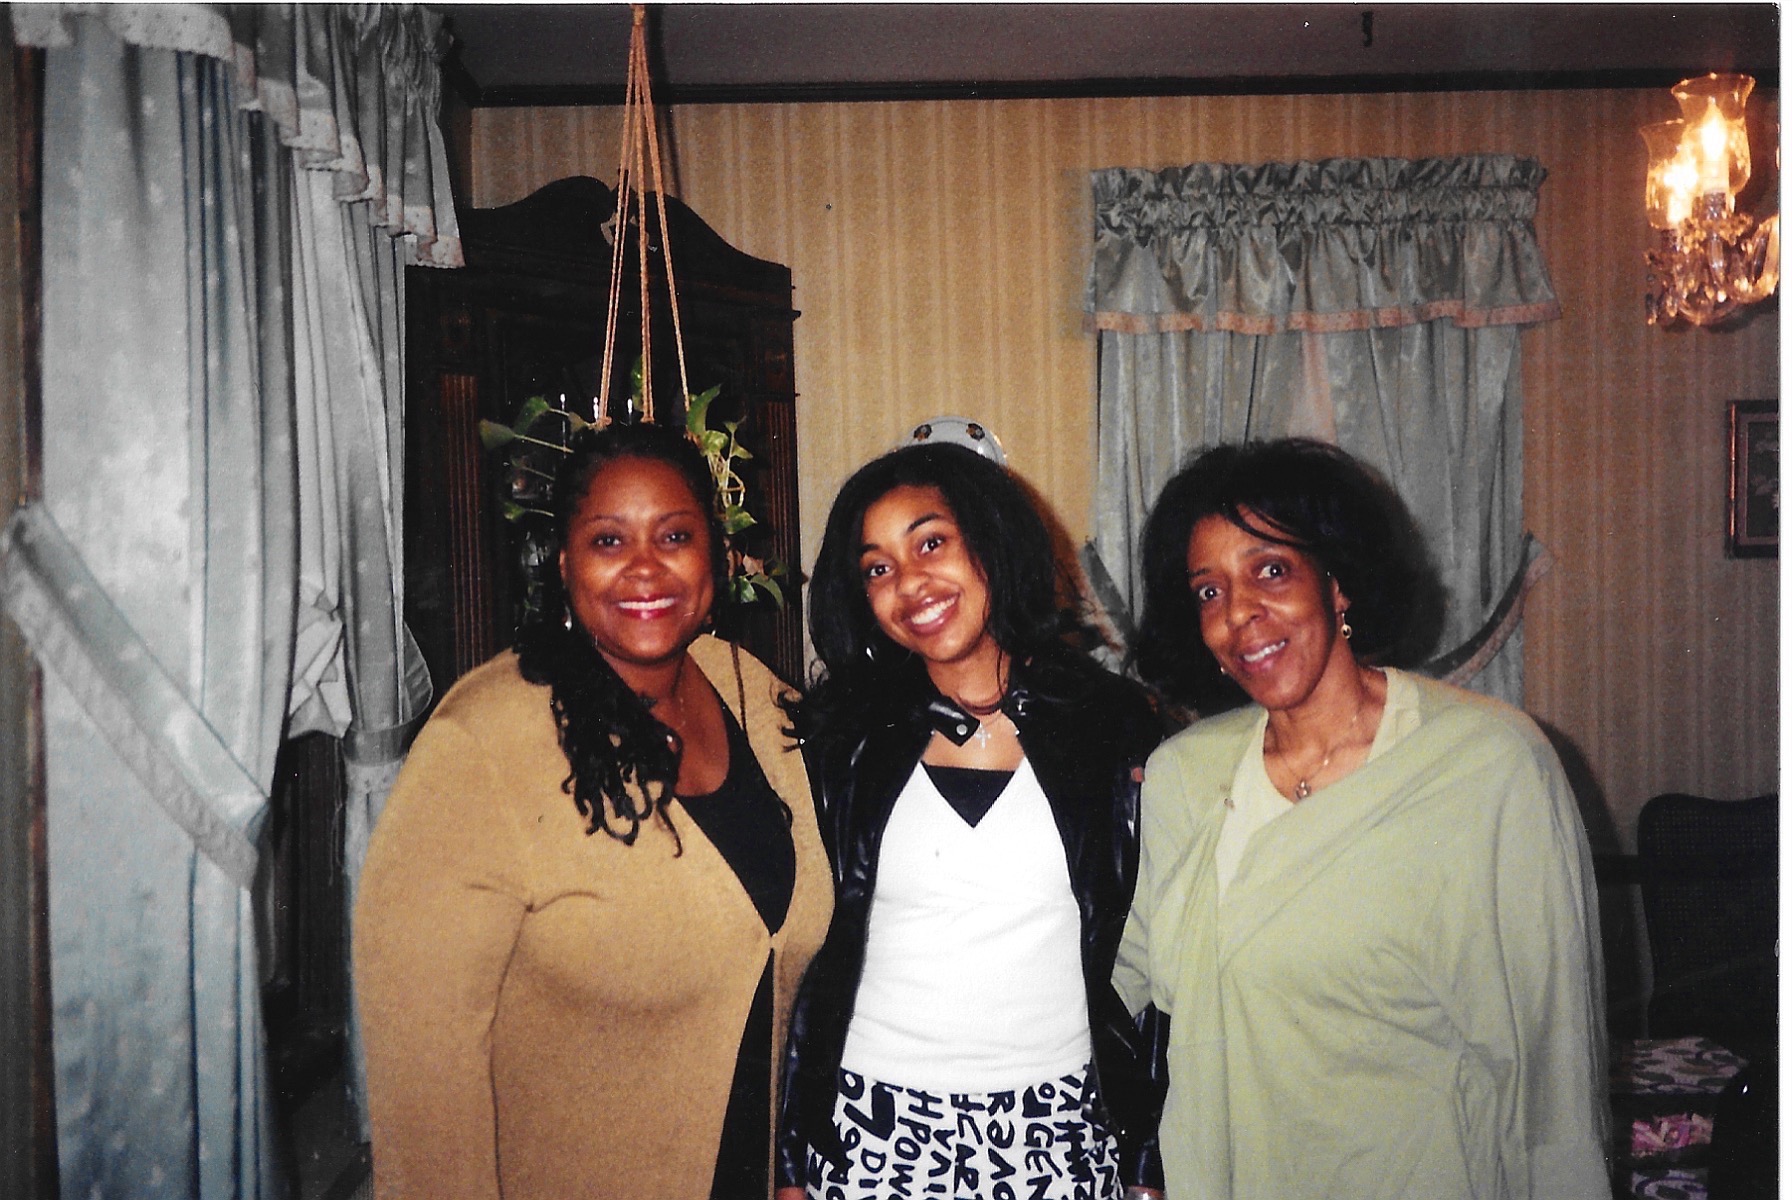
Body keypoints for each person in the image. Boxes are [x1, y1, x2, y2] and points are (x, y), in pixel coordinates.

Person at [1116, 437, 1610, 1200]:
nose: (1241, 615)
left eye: (1270, 571)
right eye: (1209, 591)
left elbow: (1557, 1057)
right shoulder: (1183, 776)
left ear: (1338, 583)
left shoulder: (1489, 764)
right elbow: (1111, 985)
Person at [354, 420, 833, 1200]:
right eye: (610, 542)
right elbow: (423, 1075)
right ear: (564, 562)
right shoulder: (482, 742)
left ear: (713, 552)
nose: (647, 568)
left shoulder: (750, 688)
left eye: (674, 535)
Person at [775, 443, 1168, 1200]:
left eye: (930, 543)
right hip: (872, 1125)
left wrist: (1145, 1160)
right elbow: (815, 962)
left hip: (1061, 1127)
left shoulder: (1112, 729)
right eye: (877, 568)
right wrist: (794, 1158)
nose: (909, 583)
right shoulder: (840, 740)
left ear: (989, 541)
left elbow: (1149, 962)